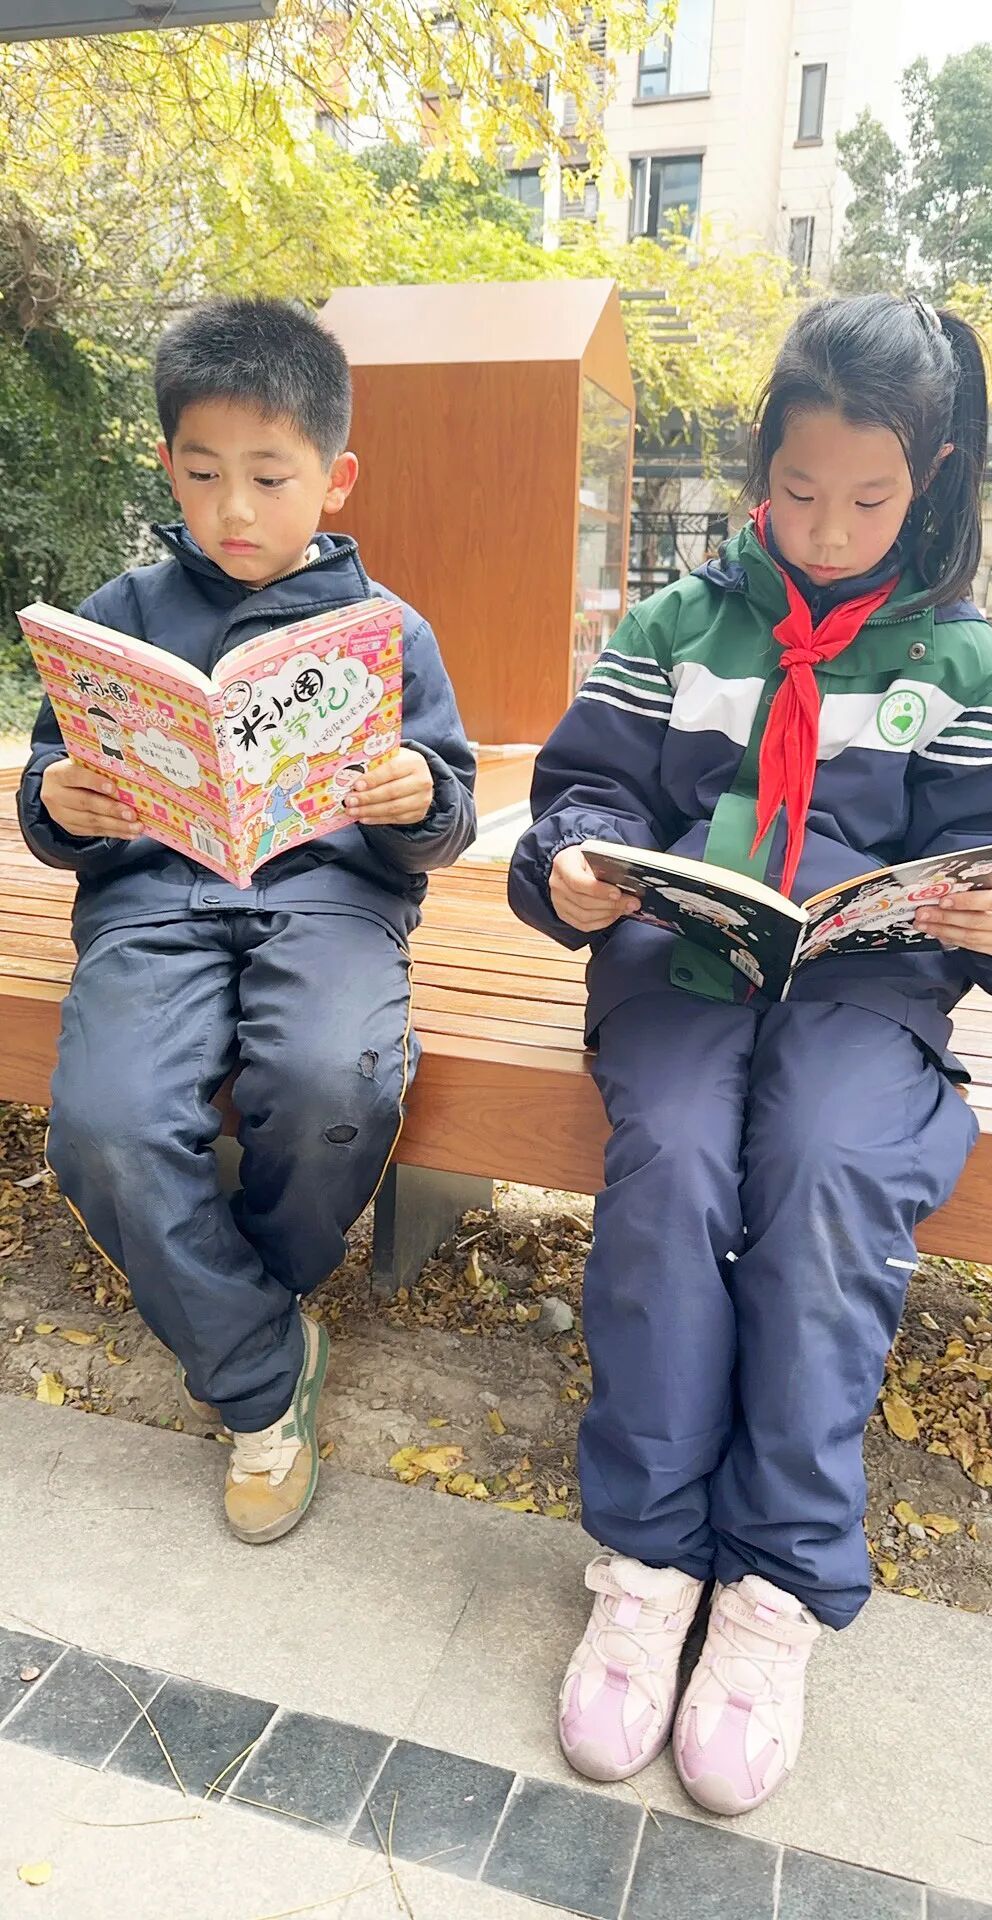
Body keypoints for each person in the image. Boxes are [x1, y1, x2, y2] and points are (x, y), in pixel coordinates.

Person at [508, 293, 992, 1816]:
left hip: (867, 993)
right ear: (761, 460)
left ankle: (775, 1586)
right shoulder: (675, 629)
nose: (827, 530)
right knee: (677, 1161)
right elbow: (581, 797)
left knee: (829, 1170)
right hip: (680, 972)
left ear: (933, 478)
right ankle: (647, 1562)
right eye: (799, 489)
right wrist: (575, 866)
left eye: (870, 500)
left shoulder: (966, 664)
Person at [19, 296, 476, 1545]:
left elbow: (447, 812)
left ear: (334, 479)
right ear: (167, 464)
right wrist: (57, 800)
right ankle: (265, 1375)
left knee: (334, 1081)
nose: (234, 510)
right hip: (155, 900)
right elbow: (56, 788)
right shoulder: (120, 615)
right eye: (204, 472)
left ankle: (235, 1308)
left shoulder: (385, 633)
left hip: (329, 901)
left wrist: (417, 797)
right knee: (106, 1129)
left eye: (270, 478)